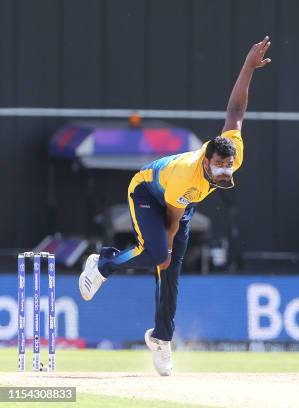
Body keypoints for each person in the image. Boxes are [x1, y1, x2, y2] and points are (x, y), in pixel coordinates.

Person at [78, 36, 272, 376]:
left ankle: (161, 339)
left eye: (228, 166)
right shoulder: (188, 175)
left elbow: (236, 111)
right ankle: (105, 262)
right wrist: (165, 249)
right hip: (149, 192)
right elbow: (173, 215)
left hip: (184, 203)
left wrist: (248, 66)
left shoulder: (232, 153)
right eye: (219, 167)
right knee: (158, 256)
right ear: (207, 160)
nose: (225, 172)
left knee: (171, 275)